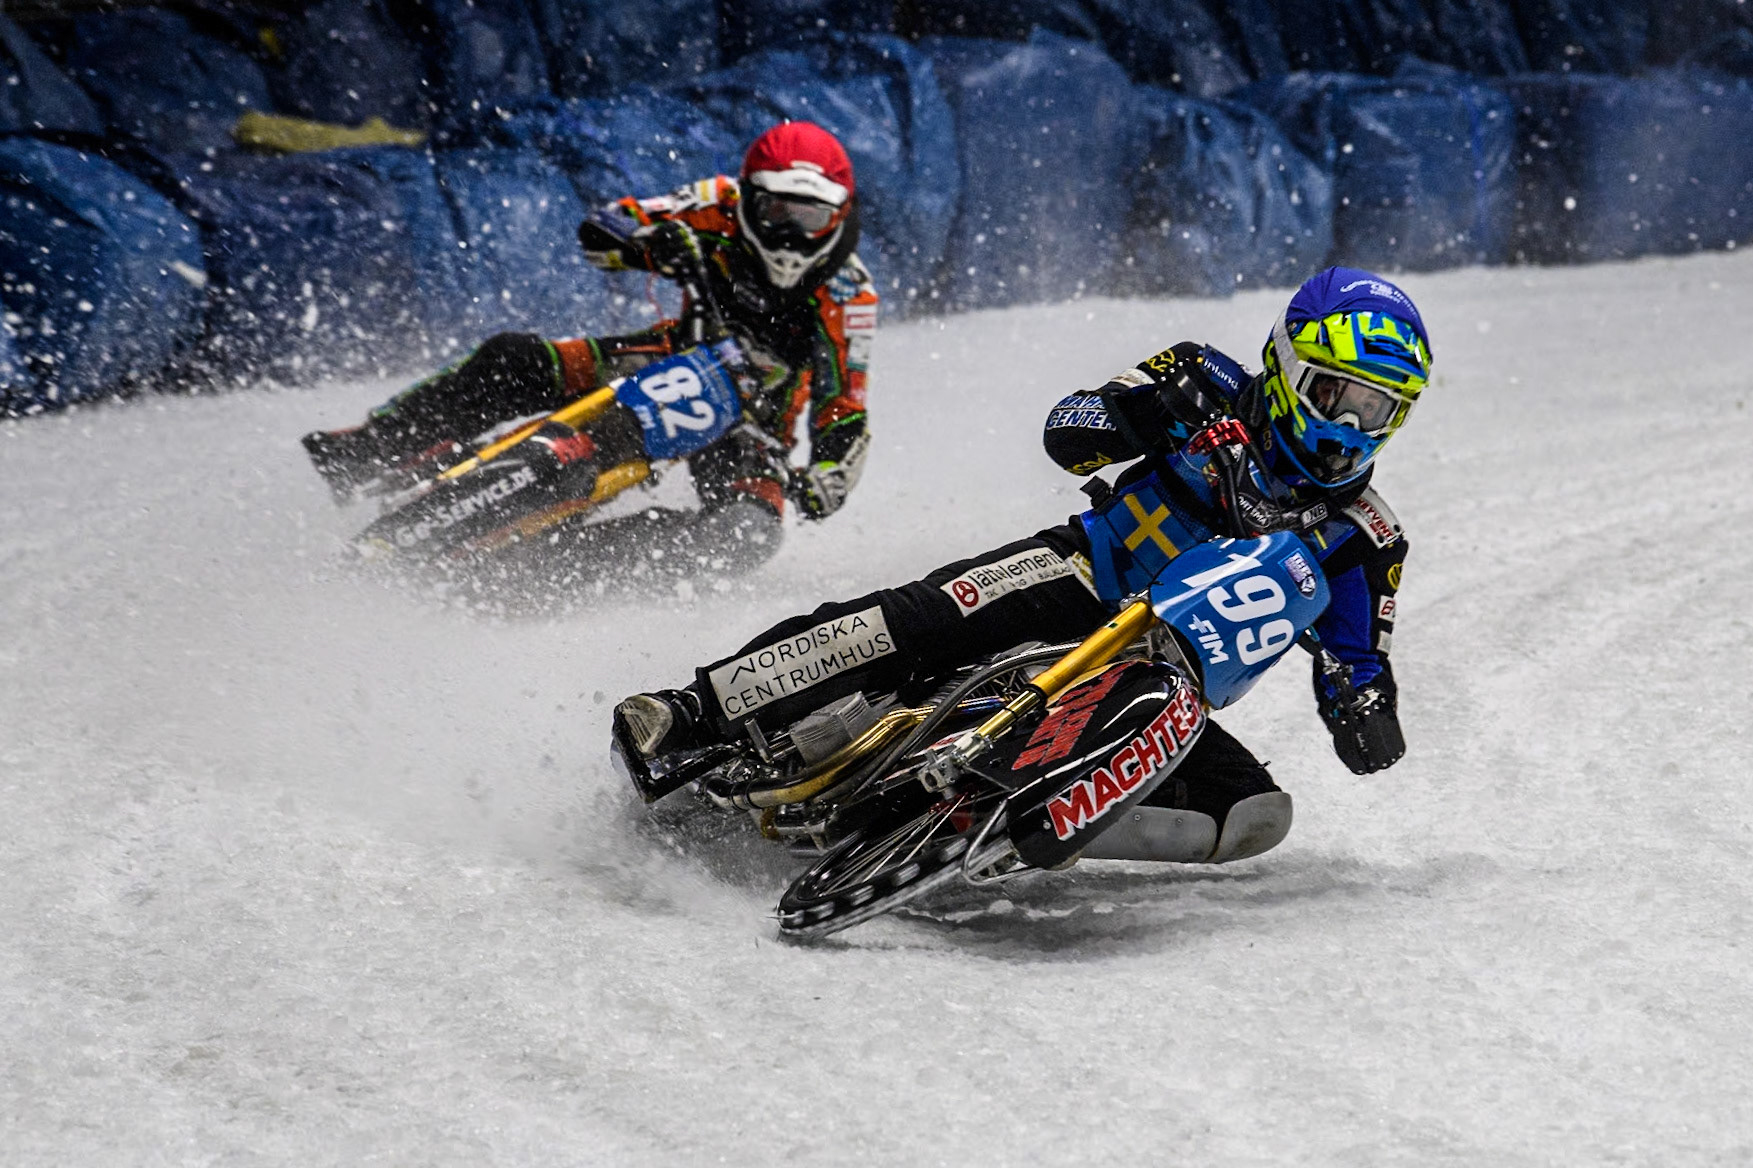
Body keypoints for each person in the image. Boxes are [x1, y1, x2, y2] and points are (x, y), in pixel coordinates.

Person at [612, 267, 1432, 866]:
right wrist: (1143, 409)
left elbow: (1359, 677)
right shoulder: (1202, 376)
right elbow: (1065, 431)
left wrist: (1364, 706)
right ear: (1288, 367)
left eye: (1378, 412)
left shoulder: (1368, 535)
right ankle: (691, 710)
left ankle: (998, 822)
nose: (1350, 429)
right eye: (1337, 396)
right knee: (923, 618)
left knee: (1252, 813)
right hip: (1085, 574)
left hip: (1162, 678)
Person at [301, 120, 877, 575]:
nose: (790, 232)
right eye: (776, 210)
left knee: (744, 536)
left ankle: (539, 574)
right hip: (670, 354)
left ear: (839, 215)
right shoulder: (715, 200)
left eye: (811, 216)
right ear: (749, 196)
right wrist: (655, 240)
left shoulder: (849, 295)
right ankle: (376, 444)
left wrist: (825, 475)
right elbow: (605, 226)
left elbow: (844, 408)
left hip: (755, 428)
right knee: (518, 357)